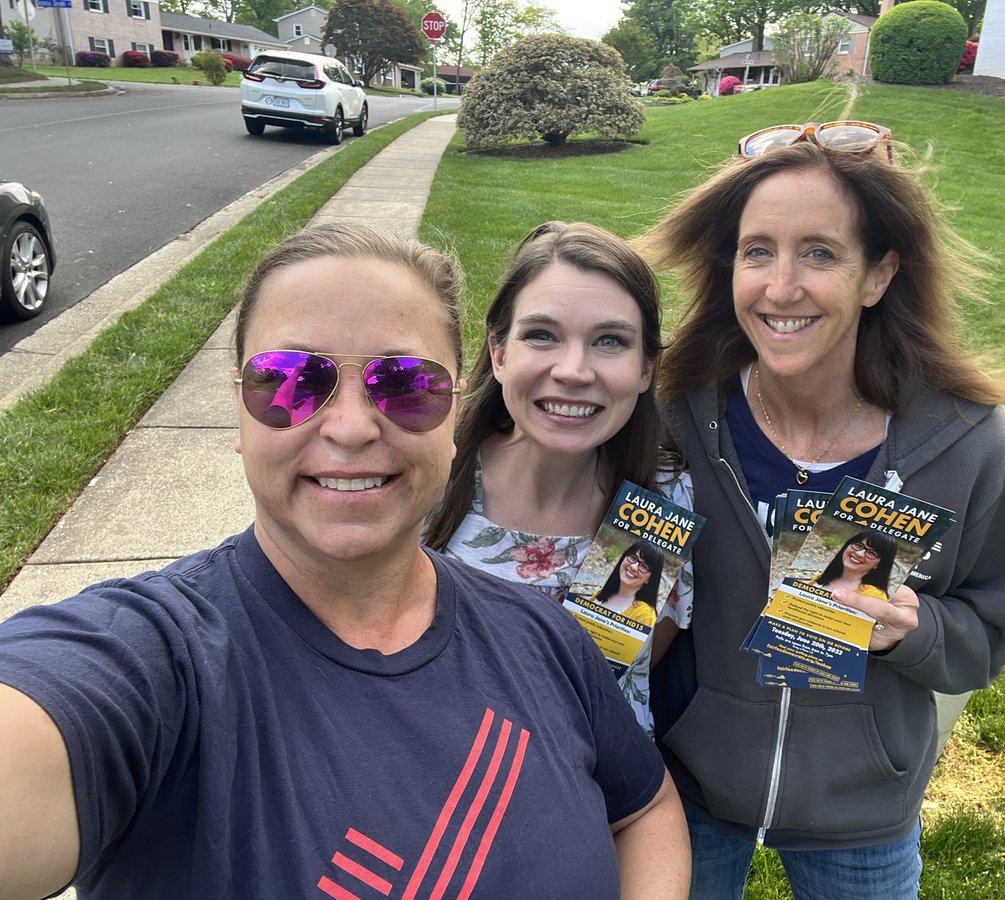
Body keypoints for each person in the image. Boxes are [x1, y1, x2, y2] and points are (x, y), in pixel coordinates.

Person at [0, 224, 690, 899]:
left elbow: (644, 795)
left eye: (405, 384)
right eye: (292, 379)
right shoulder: (160, 659)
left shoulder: (554, 624)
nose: (353, 427)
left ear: (451, 406)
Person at [638, 122, 1005, 897]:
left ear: (878, 274)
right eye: (757, 250)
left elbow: (997, 627)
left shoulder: (969, 445)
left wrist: (915, 631)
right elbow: (616, 586)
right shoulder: (679, 419)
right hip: (688, 787)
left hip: (863, 810)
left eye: (820, 253)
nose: (780, 286)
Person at [425, 220, 694, 738]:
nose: (573, 370)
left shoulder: (665, 494)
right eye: (542, 335)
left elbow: (635, 668)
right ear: (500, 353)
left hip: (608, 799)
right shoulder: (432, 474)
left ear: (645, 369)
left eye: (610, 341)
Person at [593, 540, 665, 626]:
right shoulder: (601, 593)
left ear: (650, 578)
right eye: (633, 558)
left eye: (644, 566)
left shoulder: (645, 616)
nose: (634, 567)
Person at [813, 530, 897, 602]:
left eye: (872, 553)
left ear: (879, 564)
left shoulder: (875, 597)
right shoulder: (821, 577)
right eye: (858, 545)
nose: (859, 553)